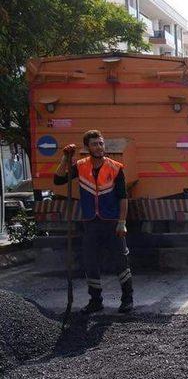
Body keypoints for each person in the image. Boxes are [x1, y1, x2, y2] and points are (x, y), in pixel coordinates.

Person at [54, 129, 133, 314]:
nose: (99, 147)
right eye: (95, 144)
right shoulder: (81, 166)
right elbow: (58, 180)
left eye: (101, 143)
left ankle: (127, 299)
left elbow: (123, 197)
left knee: (121, 261)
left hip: (112, 222)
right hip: (90, 222)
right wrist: (65, 159)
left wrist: (122, 222)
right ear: (87, 147)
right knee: (90, 262)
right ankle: (96, 301)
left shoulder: (115, 168)